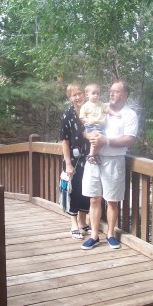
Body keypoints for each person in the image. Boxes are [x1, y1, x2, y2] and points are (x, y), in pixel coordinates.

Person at [81, 80, 138, 250]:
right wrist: (88, 136)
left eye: (116, 91)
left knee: (112, 201)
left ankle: (111, 234)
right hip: (94, 160)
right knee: (94, 199)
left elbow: (129, 139)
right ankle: (94, 235)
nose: (112, 93)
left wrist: (107, 140)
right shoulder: (100, 106)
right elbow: (85, 127)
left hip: (114, 161)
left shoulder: (130, 115)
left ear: (125, 95)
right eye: (111, 90)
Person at [59, 83, 92, 240]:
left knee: (87, 189)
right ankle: (73, 223)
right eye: (74, 95)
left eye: (80, 93)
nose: (78, 97)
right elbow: (64, 141)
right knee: (73, 190)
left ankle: (82, 222)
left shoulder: (90, 111)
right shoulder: (68, 115)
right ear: (70, 97)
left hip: (89, 159)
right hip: (72, 160)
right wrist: (68, 164)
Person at [79, 83, 120, 165]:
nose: (96, 95)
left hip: (101, 126)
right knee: (95, 139)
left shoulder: (101, 104)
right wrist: (88, 120)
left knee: (102, 141)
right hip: (92, 126)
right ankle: (91, 155)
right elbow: (81, 117)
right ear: (87, 94)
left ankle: (93, 154)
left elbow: (108, 110)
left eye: (98, 94)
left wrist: (115, 114)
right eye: (93, 93)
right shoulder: (85, 106)